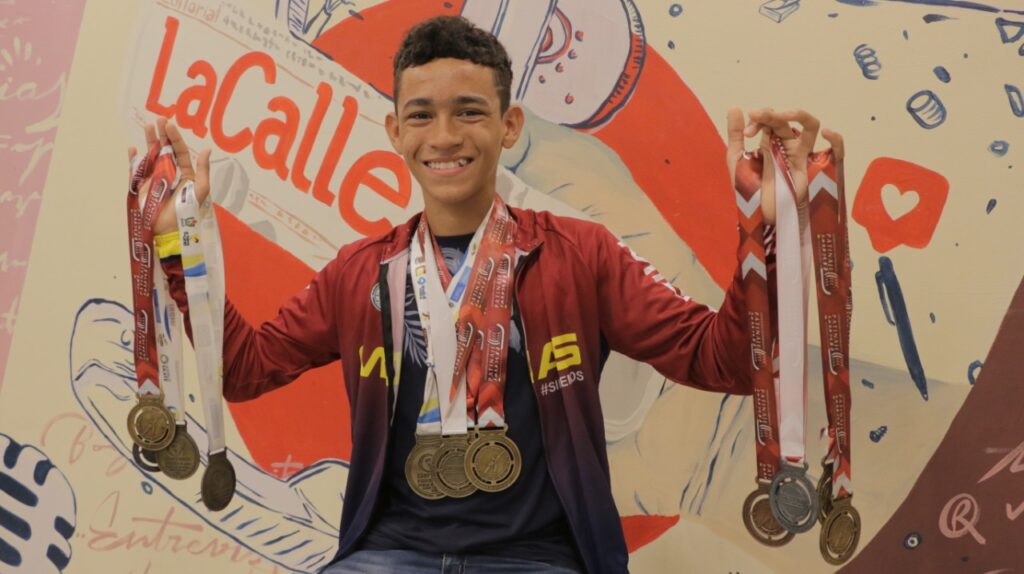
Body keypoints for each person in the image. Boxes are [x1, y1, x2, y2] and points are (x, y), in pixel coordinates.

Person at [131, 15, 843, 574]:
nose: (444, 136)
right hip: (389, 557)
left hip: (543, 560)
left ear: (509, 126)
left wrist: (769, 231)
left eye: (469, 111)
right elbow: (245, 369)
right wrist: (178, 246)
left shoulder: (581, 254)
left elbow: (724, 361)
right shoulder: (360, 273)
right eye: (421, 115)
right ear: (395, 132)